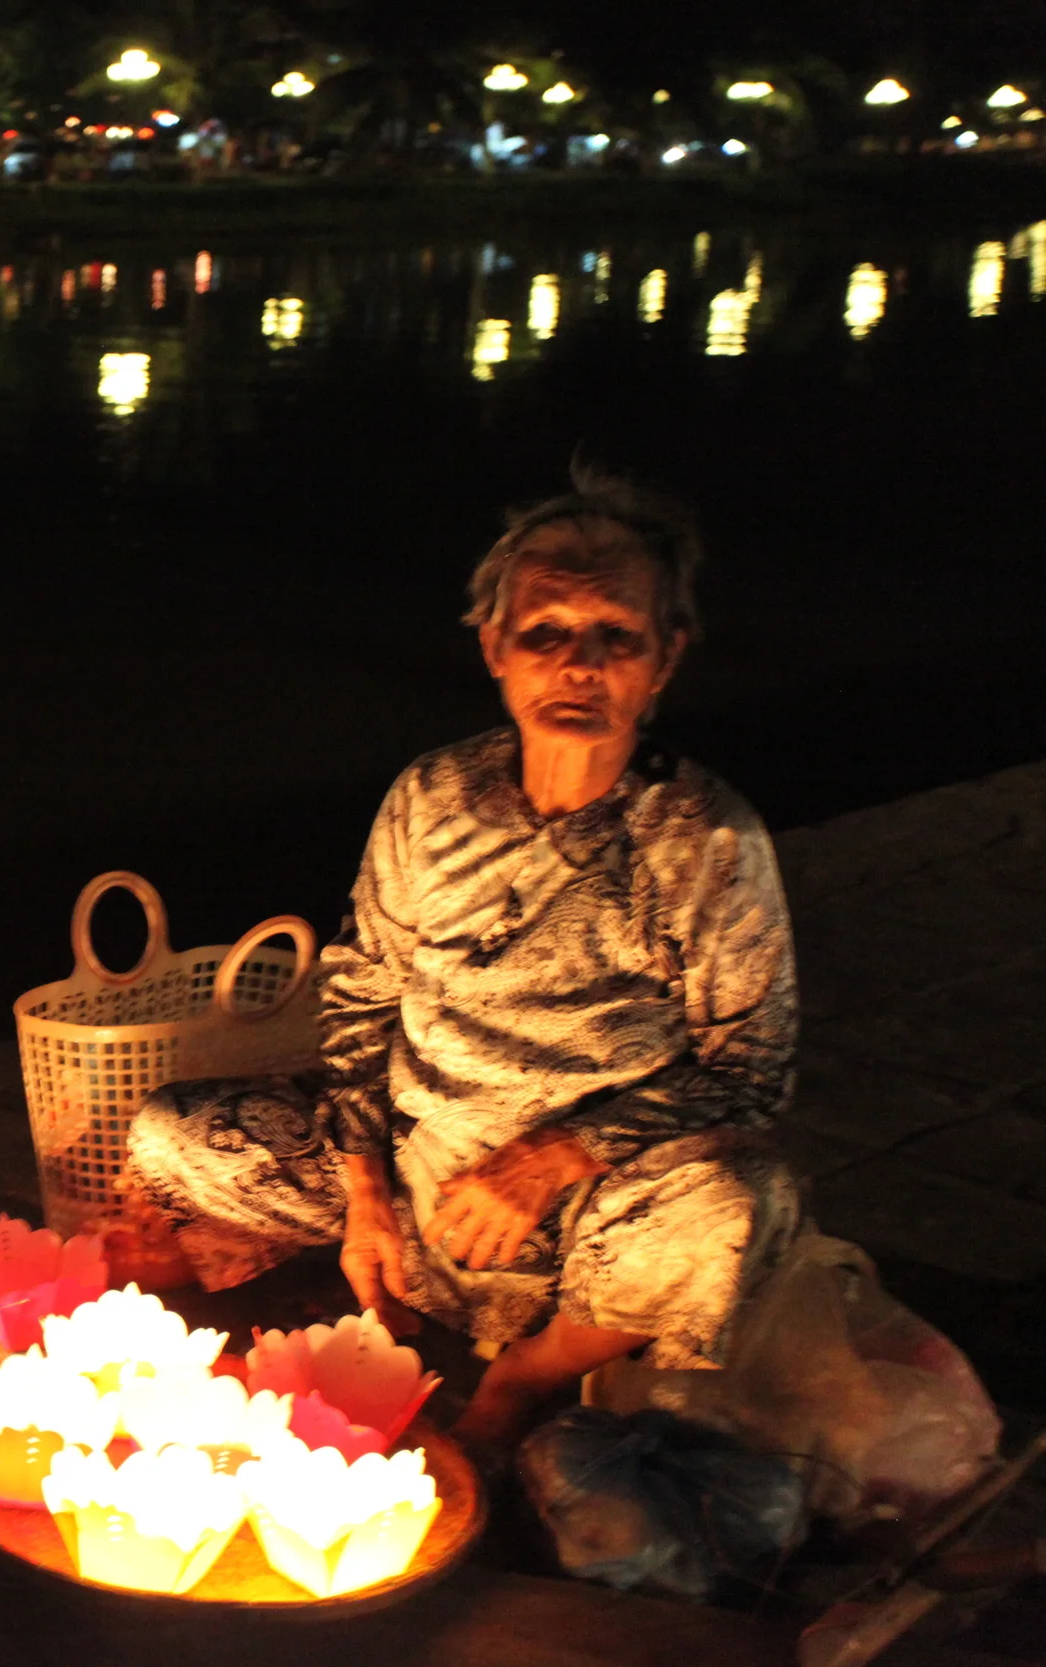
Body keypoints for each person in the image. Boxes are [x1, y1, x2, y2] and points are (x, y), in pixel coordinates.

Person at [118, 467, 801, 1449]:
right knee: (168, 1131)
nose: (578, 665)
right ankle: (365, 1279)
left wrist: (545, 1160)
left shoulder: (706, 838)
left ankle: (524, 1375)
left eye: (616, 636)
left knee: (739, 1206)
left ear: (665, 659)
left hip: (587, 1208)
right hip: (411, 1166)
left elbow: (750, 1070)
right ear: (494, 647)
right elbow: (358, 995)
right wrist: (364, 1191)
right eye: (546, 633)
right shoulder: (431, 796)